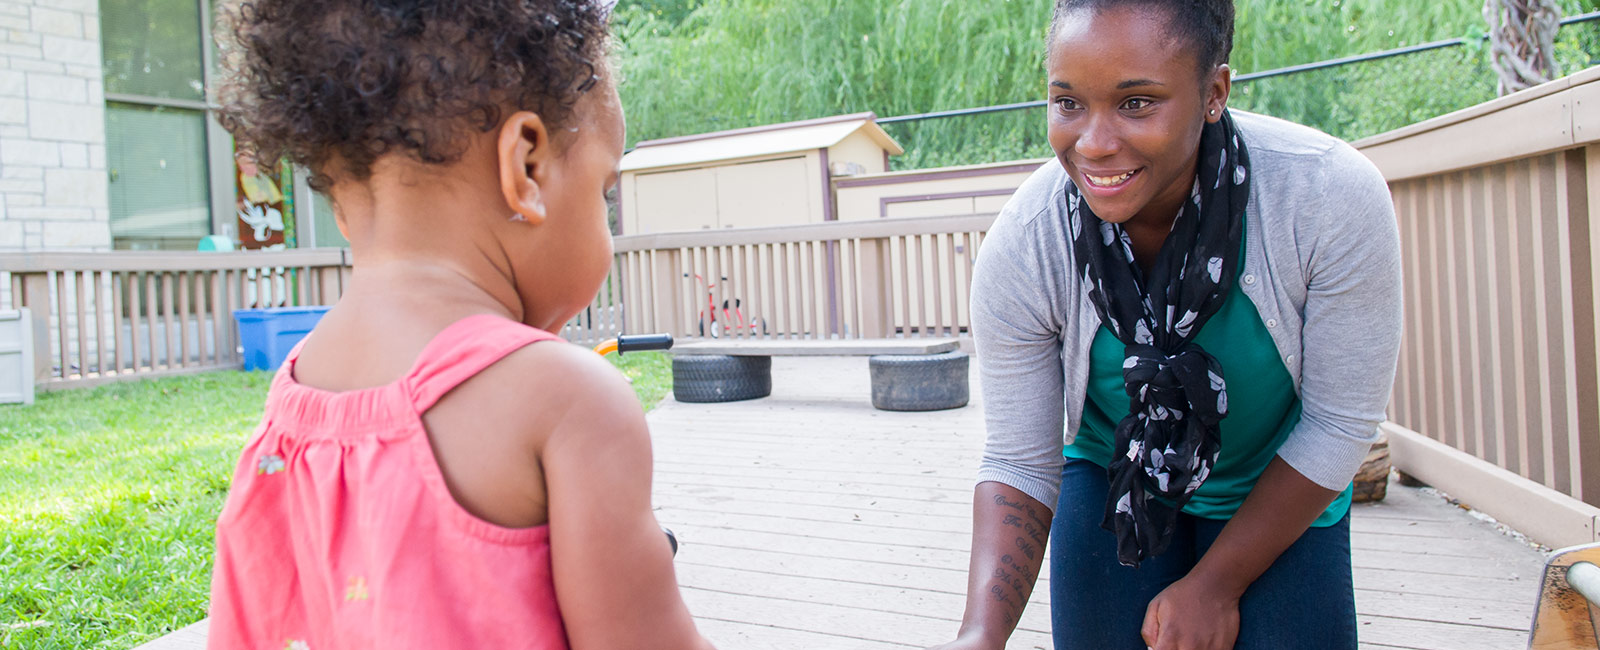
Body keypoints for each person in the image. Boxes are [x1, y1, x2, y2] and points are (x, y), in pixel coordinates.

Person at [203, 1, 715, 648]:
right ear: (526, 167)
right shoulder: (570, 403)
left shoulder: (287, 418)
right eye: (603, 192)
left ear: (341, 205)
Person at [930, 1, 1402, 649]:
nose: (1093, 143)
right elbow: (1019, 458)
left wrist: (1215, 586)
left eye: (1137, 103)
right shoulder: (1028, 240)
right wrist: (978, 637)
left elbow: (1340, 423)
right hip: (1114, 474)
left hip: (1278, 480)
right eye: (1068, 103)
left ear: (1214, 93)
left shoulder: (1327, 195)